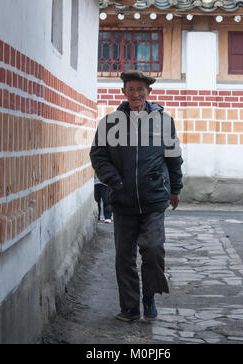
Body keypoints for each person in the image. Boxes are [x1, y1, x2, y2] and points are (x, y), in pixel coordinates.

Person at [90, 70, 183, 322]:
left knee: (153, 249)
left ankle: (149, 296)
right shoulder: (110, 123)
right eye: (130, 89)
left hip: (154, 199)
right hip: (122, 200)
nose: (135, 94)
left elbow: (173, 158)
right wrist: (115, 180)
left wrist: (175, 188)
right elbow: (98, 155)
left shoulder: (164, 122)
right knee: (125, 256)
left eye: (140, 89)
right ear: (123, 93)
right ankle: (130, 307)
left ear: (149, 93)